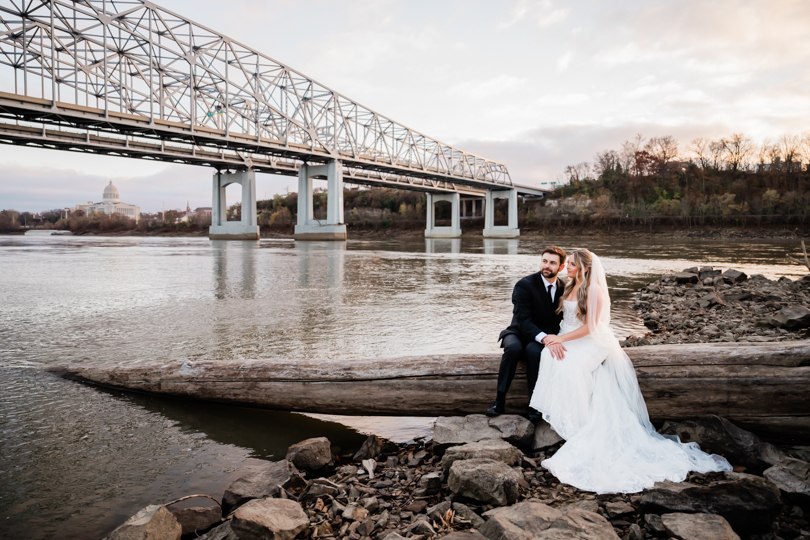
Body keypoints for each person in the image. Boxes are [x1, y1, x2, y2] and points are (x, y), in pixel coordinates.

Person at [529, 249, 731, 494]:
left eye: (571, 264)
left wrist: (560, 340)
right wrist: (554, 339)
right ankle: (560, 413)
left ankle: (578, 426)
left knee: (573, 367)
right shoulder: (569, 285)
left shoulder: (593, 290)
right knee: (549, 357)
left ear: (584, 267)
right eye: (567, 263)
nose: (565, 267)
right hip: (569, 336)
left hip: (592, 339)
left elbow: (592, 327)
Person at [488, 246, 568, 419]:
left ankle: (534, 404)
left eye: (552, 263)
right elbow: (523, 320)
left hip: (542, 337)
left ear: (561, 267)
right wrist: (545, 338)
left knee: (534, 352)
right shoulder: (524, 285)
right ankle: (499, 401)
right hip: (518, 332)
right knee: (514, 349)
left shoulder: (565, 288)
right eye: (544, 261)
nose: (547, 266)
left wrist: (559, 338)